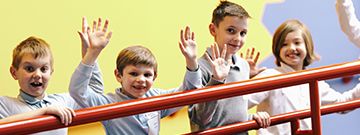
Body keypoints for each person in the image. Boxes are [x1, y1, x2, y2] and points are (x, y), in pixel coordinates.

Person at [68, 16, 204, 134]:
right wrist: (92, 52)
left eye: (147, 75)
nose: (141, 80)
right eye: (133, 73)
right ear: (118, 75)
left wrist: (191, 60)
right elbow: (78, 90)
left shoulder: (155, 98)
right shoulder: (108, 104)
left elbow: (189, 93)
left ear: (154, 77)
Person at [246, 19, 360, 135]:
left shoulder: (314, 81)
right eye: (284, 44)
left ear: (307, 47)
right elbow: (240, 104)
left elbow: (342, 104)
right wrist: (242, 77)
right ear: (277, 49)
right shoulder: (269, 77)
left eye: (297, 42)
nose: (291, 48)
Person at [183, 1, 270, 134]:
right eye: (231, 31)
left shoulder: (243, 66)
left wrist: (252, 118)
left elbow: (230, 115)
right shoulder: (199, 68)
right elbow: (200, 118)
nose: (237, 38)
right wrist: (216, 80)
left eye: (243, 33)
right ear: (213, 30)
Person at [1, 28, 104, 134]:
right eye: (29, 69)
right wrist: (44, 111)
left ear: (51, 72)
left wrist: (90, 54)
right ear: (14, 73)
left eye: (43, 69)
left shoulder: (61, 102)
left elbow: (95, 90)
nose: (37, 75)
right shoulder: (5, 104)